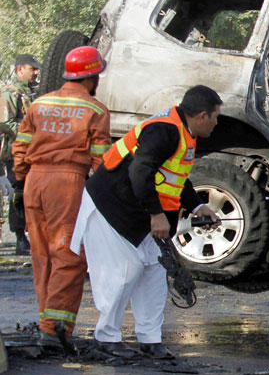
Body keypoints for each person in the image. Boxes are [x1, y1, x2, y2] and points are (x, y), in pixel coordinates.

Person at [70, 85, 221, 359]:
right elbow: (140, 171)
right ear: (201, 116)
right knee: (124, 271)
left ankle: (150, 339)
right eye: (215, 116)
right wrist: (156, 214)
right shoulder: (163, 131)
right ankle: (107, 338)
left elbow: (174, 177)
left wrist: (198, 206)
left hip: (136, 210)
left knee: (154, 270)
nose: (217, 123)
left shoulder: (183, 132)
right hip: (110, 206)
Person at [11, 46, 111, 348]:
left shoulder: (39, 104)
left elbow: (20, 147)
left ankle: (56, 327)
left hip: (34, 181)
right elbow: (100, 159)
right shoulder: (95, 109)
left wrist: (20, 182)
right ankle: (52, 327)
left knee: (42, 255)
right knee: (69, 255)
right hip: (66, 183)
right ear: (92, 76)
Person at [1, 53, 40, 254]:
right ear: (19, 70)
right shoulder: (10, 93)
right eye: (32, 68)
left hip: (34, 153)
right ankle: (19, 237)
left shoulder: (34, 93)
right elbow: (5, 123)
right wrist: (32, 132)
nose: (36, 72)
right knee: (18, 194)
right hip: (15, 153)